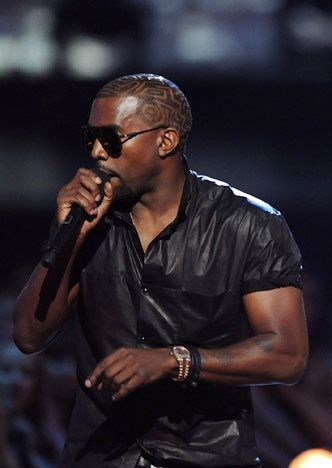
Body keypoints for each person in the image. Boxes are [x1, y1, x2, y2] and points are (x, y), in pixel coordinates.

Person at [13, 74, 308, 468]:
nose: (98, 152)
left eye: (112, 138)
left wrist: (175, 360)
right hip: (100, 455)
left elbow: (287, 355)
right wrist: (71, 240)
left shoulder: (248, 225)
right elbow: (29, 337)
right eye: (91, 138)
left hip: (206, 455)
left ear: (165, 141)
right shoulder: (86, 220)